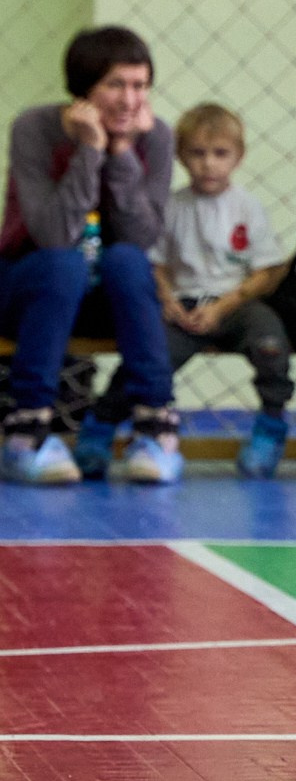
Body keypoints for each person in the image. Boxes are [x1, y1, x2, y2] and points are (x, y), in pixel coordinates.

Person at [0, 25, 182, 484]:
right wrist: (90, 149)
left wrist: (121, 152)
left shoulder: (154, 136)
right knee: (65, 263)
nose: (129, 100)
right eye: (115, 85)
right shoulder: (35, 128)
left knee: (128, 261)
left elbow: (141, 235)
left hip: (108, 292)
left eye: (139, 86)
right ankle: (29, 432)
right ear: (84, 90)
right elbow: (54, 234)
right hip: (32, 284)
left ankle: (155, 427)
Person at [149, 104, 293, 478]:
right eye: (197, 153)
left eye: (220, 154)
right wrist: (168, 301)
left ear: (238, 157)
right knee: (150, 355)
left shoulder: (247, 207)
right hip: (185, 306)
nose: (208, 164)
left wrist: (225, 305)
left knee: (270, 342)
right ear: (181, 156)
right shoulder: (172, 206)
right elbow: (156, 264)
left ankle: (271, 427)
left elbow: (267, 271)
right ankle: (120, 430)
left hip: (235, 303)